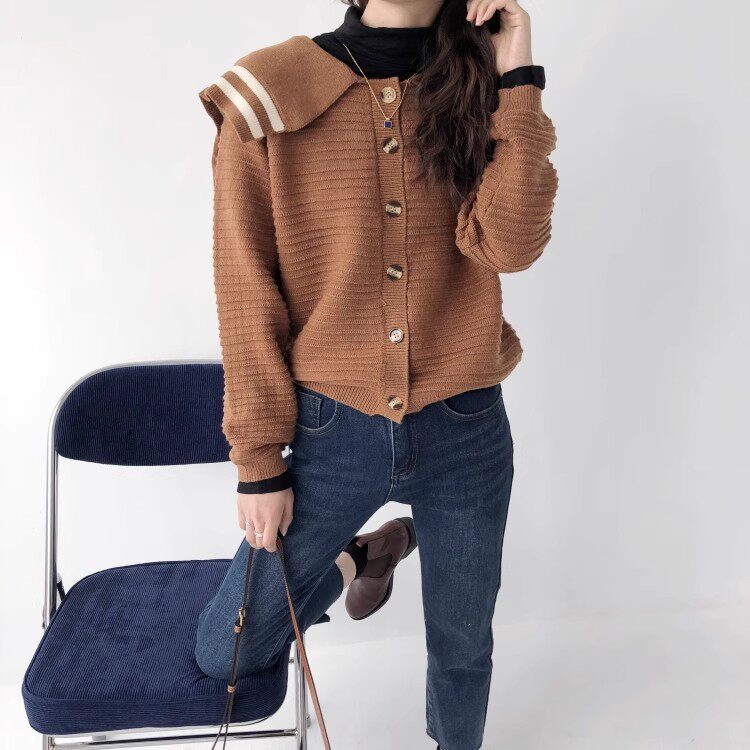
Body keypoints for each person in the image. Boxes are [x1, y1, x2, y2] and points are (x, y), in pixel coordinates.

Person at [195, 0, 557, 747]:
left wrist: (517, 74)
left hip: (465, 427)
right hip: (332, 431)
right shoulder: (268, 93)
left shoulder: (473, 84)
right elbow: (245, 289)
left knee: (464, 646)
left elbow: (510, 248)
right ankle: (364, 553)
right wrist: (259, 464)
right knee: (227, 647)